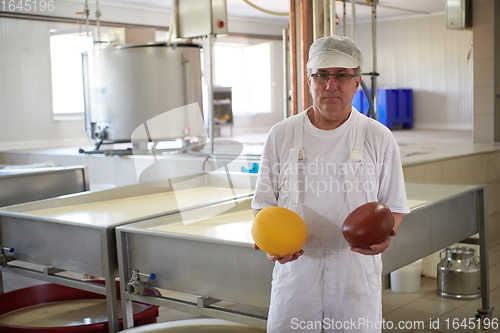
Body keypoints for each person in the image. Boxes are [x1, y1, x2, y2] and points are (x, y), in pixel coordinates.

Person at [251, 35, 410, 333]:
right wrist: (270, 242)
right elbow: (263, 204)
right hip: (297, 271)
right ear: (310, 80)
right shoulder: (282, 134)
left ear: (357, 82)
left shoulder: (378, 137)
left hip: (355, 272)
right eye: (322, 74)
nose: (330, 84)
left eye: (341, 75)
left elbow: (395, 206)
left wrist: (386, 235)